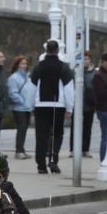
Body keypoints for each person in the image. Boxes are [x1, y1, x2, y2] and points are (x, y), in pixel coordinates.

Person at [29, 42, 73, 175]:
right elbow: (68, 89)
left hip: (41, 105)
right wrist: (69, 107)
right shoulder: (64, 68)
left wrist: (31, 106)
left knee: (41, 135)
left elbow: (31, 88)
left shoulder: (38, 67)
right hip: (57, 106)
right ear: (58, 50)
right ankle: (53, 160)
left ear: (46, 49)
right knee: (57, 134)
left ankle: (41, 165)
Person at [6, 55, 35, 158]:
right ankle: (18, 151)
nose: (24, 65)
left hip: (27, 107)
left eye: (25, 63)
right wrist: (22, 101)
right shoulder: (13, 78)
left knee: (24, 129)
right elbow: (13, 93)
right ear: (17, 65)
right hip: (19, 108)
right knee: (21, 128)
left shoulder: (28, 76)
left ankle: (21, 149)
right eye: (22, 63)